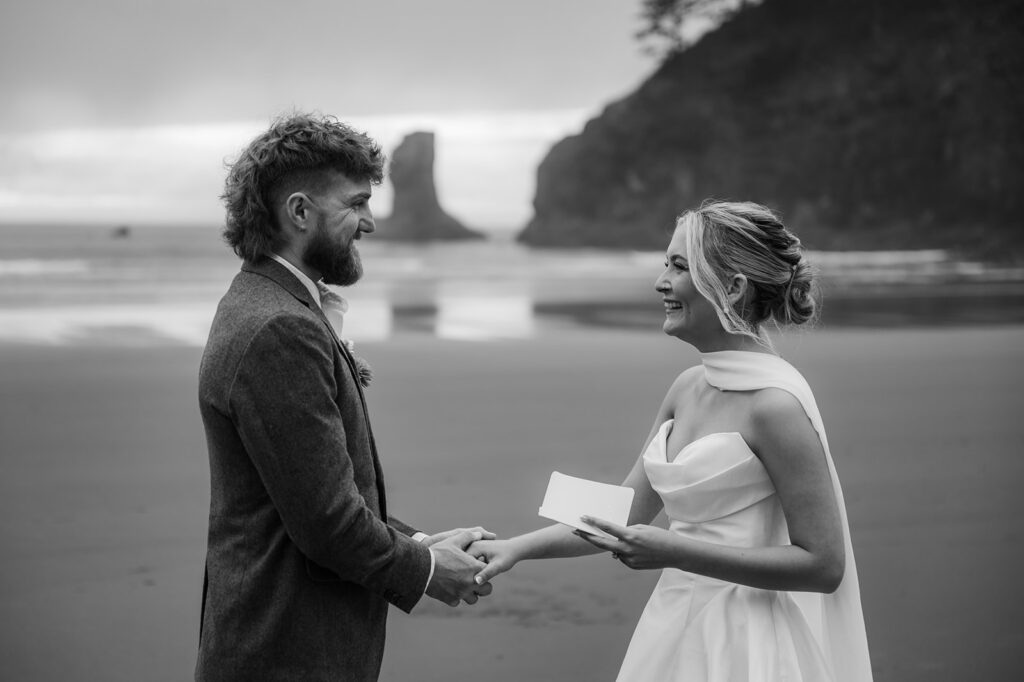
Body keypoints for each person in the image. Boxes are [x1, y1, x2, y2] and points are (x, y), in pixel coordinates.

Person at [471, 201, 873, 681]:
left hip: (746, 641)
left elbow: (824, 566)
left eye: (679, 267)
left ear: (733, 288)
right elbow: (624, 512)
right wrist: (515, 549)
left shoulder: (776, 408)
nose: (661, 282)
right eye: (666, 264)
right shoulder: (687, 387)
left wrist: (676, 552)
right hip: (672, 623)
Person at [196, 113, 493, 682]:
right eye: (356, 204)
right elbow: (328, 524)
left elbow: (312, 492)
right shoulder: (280, 329)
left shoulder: (262, 302)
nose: (370, 222)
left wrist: (422, 541)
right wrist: (430, 570)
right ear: (299, 212)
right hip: (286, 652)